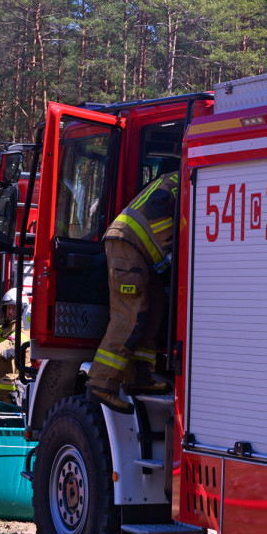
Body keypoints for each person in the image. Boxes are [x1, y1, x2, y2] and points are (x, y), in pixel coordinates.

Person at [86, 171, 179, 414]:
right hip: (128, 244)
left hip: (139, 249)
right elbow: (158, 205)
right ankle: (100, 383)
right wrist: (171, 248)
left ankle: (139, 376)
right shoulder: (181, 178)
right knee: (131, 315)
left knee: (155, 307)